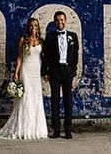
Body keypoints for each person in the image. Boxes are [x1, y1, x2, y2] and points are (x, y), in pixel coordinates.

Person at [0, 17, 48, 140]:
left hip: (36, 71)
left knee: (36, 97)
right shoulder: (23, 40)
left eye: (35, 25)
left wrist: (45, 72)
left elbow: (44, 58)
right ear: (28, 27)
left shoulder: (41, 41)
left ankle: (36, 129)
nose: (33, 28)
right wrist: (16, 73)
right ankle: (24, 128)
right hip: (26, 69)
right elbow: (19, 57)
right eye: (30, 25)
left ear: (38, 27)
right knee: (26, 97)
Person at [41, 10, 79, 139]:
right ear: (54, 22)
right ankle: (56, 130)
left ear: (65, 21)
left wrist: (73, 70)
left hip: (67, 71)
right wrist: (45, 72)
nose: (60, 22)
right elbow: (45, 56)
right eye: (57, 20)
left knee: (68, 100)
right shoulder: (50, 36)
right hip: (54, 71)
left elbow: (76, 54)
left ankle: (68, 129)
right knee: (55, 101)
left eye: (62, 20)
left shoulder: (73, 36)